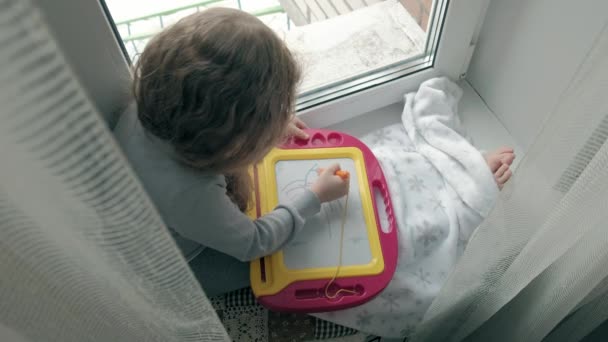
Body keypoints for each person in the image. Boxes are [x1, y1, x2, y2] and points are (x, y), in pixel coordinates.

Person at [114, 8, 349, 296]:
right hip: (171, 265)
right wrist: (315, 196)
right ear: (235, 139)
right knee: (277, 267)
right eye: (264, 127)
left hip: (155, 218)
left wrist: (266, 125)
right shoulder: (192, 194)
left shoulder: (140, 110)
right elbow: (254, 242)